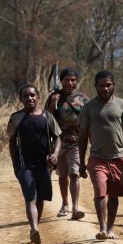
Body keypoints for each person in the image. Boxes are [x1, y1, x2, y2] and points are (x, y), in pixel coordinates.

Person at [78, 70, 123, 240]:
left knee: (114, 194)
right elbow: (82, 137)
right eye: (101, 85)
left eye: (108, 85)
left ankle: (110, 228)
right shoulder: (88, 107)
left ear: (113, 86)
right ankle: (102, 227)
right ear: (96, 86)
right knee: (100, 190)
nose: (105, 88)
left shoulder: (121, 105)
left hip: (119, 157)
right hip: (97, 157)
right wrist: (81, 162)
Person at [8, 84, 62, 244]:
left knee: (40, 198)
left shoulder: (47, 116)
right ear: (21, 99)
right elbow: (11, 141)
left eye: (32, 95)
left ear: (38, 97)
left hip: (44, 164)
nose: (29, 98)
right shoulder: (16, 117)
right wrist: (15, 165)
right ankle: (34, 228)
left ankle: (35, 226)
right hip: (25, 165)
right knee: (30, 197)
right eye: (26, 96)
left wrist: (55, 154)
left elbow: (58, 137)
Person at [45, 67, 89, 219]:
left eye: (73, 80)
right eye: (66, 80)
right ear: (61, 81)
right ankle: (64, 204)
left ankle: (76, 208)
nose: (70, 83)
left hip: (76, 142)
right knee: (63, 175)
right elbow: (47, 119)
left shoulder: (83, 99)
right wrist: (53, 103)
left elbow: (90, 117)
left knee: (74, 173)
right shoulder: (54, 97)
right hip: (58, 143)